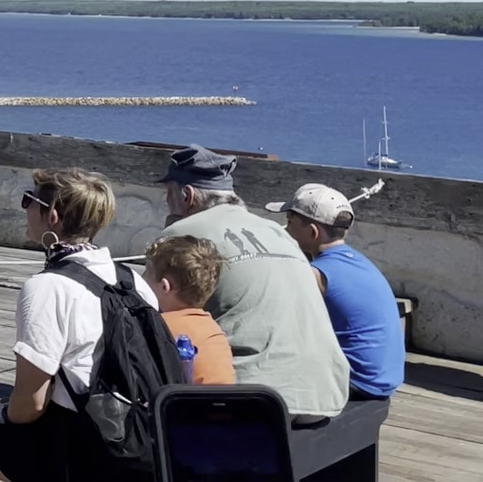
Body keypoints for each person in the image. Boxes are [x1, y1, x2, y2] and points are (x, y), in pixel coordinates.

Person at [0, 168, 160, 482]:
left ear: (52, 215)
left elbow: (32, 404)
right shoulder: (133, 282)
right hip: (140, 444)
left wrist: (2, 415)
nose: (25, 208)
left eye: (28, 200)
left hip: (80, 450)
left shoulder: (47, 288)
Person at [155, 145, 350, 420]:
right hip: (325, 393)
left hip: (256, 397)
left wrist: (170, 230)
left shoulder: (183, 234)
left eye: (168, 194)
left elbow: (154, 308)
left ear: (187, 195)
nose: (166, 200)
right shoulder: (274, 230)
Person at [265, 183, 405, 400]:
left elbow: (275, 319)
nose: (285, 229)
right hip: (385, 378)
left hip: (357, 382)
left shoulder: (317, 275)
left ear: (313, 232)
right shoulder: (360, 262)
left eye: (289, 222)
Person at [143, 235, 237, 385]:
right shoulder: (214, 331)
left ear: (164, 287)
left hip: (180, 406)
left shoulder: (156, 328)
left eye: (147, 273)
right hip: (225, 405)